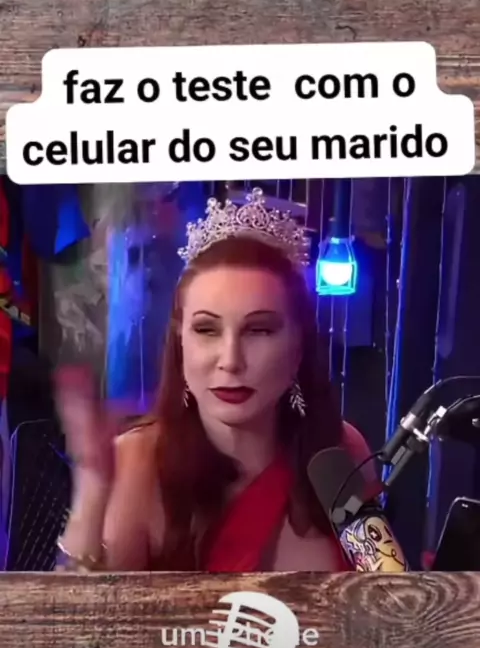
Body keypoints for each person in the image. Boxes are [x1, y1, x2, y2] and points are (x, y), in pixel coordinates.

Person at [55, 188, 378, 574]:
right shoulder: (138, 463)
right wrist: (91, 496)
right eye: (207, 330)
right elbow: (77, 610)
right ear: (180, 344)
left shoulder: (340, 450)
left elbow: (389, 595)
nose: (231, 360)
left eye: (259, 330)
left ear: (299, 347)